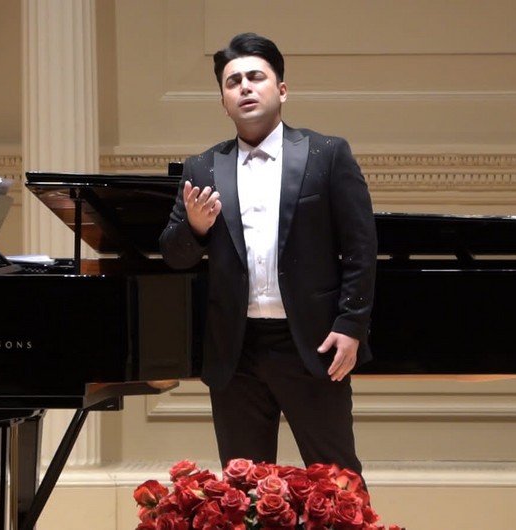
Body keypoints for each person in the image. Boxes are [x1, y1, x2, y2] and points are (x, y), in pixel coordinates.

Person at [160, 32, 377, 475]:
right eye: (232, 81)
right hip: (235, 351)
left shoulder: (327, 154)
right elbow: (175, 256)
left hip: (313, 343)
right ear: (223, 102)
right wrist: (195, 228)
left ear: (281, 89)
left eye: (255, 77)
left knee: (337, 481)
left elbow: (361, 247)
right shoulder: (202, 166)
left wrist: (351, 325)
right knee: (243, 491)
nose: (244, 86)